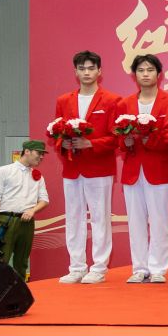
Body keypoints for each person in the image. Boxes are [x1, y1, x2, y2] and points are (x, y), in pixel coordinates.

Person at [52, 49, 124, 283]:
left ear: (99, 71)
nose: (86, 72)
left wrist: (90, 143)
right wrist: (64, 143)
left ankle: (99, 267)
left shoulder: (112, 100)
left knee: (100, 217)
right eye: (82, 68)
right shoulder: (64, 100)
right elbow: (56, 133)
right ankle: (76, 266)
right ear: (75, 72)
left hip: (99, 168)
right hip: (72, 168)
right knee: (73, 217)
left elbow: (117, 138)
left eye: (91, 68)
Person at [113, 52, 168, 282]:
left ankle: (158, 268)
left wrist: (151, 140)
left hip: (159, 169)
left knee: (160, 220)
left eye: (150, 70)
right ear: (134, 75)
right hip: (132, 170)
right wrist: (127, 141)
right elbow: (118, 139)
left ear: (159, 74)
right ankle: (140, 268)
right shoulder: (125, 104)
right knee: (136, 221)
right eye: (141, 70)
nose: (145, 74)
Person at [0, 140, 48, 277]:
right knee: (0, 258)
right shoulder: (4, 171)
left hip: (27, 222)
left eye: (43, 154)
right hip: (6, 220)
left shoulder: (39, 177)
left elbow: (44, 200)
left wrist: (32, 210)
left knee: (22, 260)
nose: (41, 157)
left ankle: (19, 287)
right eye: (39, 153)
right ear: (27, 151)